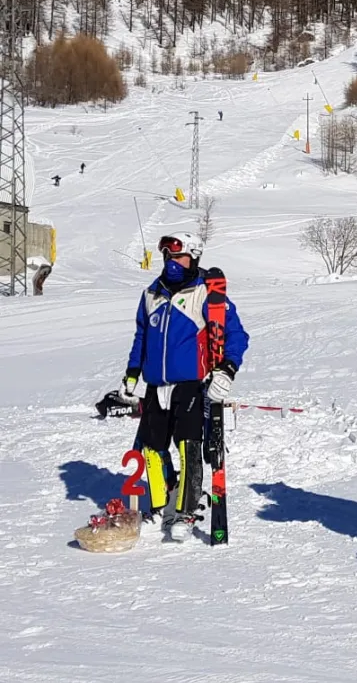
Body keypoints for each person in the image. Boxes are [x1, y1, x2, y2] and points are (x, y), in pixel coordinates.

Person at [121, 232, 249, 541]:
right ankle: (160, 506)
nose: (172, 263)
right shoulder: (150, 294)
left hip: (191, 383)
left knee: (188, 446)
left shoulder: (205, 293)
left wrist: (227, 370)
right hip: (155, 385)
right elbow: (141, 337)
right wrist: (132, 374)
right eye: (168, 256)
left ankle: (186, 511)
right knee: (152, 449)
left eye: (179, 257)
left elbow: (236, 335)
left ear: (193, 257)